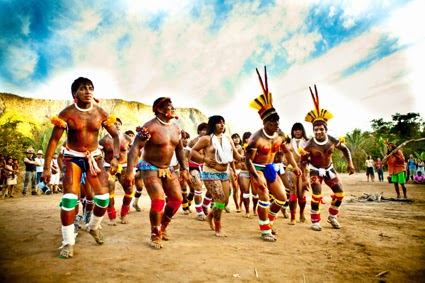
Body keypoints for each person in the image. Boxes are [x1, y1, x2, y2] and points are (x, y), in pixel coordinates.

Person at [42, 77, 120, 258]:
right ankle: (68, 242)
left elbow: (115, 137)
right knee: (69, 199)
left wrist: (115, 157)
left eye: (91, 88)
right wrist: (47, 167)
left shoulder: (101, 112)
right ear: (74, 93)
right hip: (72, 158)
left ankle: (93, 226)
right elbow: (54, 141)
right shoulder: (66, 114)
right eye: (83, 88)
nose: (88, 91)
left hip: (95, 157)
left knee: (103, 199)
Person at [123, 97, 190, 249]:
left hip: (168, 168)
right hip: (149, 167)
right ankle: (155, 234)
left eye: (173, 107)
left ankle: (163, 226)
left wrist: (185, 169)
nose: (173, 109)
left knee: (177, 200)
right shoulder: (149, 127)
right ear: (160, 110)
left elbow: (180, 150)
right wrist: (129, 171)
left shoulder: (176, 129)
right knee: (159, 200)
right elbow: (134, 149)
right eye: (169, 107)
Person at [245, 66, 302, 242]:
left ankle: (267, 222)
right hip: (257, 168)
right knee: (263, 196)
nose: (277, 123)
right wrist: (257, 177)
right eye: (273, 121)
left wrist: (294, 165)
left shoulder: (281, 135)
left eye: (278, 120)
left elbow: (287, 151)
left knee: (281, 198)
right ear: (265, 121)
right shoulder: (256, 139)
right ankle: (265, 231)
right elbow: (248, 161)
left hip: (270, 168)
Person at [299, 85, 355, 231]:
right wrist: (304, 178)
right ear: (313, 130)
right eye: (316, 129)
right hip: (315, 171)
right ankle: (315, 221)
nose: (318, 131)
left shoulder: (332, 140)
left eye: (321, 129)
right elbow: (302, 161)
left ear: (326, 129)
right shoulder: (309, 144)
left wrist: (350, 163)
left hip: (329, 169)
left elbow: (345, 149)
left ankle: (332, 216)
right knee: (316, 194)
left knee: (340, 193)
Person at [190, 115, 245, 237]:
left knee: (224, 202)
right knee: (219, 198)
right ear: (213, 124)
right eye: (219, 123)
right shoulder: (206, 139)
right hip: (210, 172)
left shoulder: (228, 138)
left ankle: (210, 216)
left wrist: (244, 158)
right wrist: (204, 159)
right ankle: (218, 228)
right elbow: (193, 151)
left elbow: (235, 155)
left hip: (224, 173)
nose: (222, 125)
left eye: (223, 122)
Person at [99, 117, 134, 225]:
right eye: (115, 124)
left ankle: (123, 215)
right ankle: (111, 217)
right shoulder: (103, 140)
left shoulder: (128, 138)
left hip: (124, 167)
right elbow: (98, 156)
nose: (117, 125)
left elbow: (135, 153)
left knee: (129, 190)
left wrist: (132, 167)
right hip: (108, 167)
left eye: (119, 123)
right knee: (110, 192)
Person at [286, 122, 309, 224]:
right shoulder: (289, 142)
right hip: (291, 168)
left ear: (302, 130)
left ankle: (302, 214)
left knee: (301, 193)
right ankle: (293, 217)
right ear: (293, 131)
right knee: (293, 192)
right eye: (295, 130)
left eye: (299, 129)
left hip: (304, 169)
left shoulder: (308, 142)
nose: (297, 131)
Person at [187, 122, 209, 220]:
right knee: (198, 188)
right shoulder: (193, 142)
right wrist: (185, 170)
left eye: (207, 130)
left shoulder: (210, 141)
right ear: (199, 131)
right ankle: (199, 212)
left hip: (205, 167)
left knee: (211, 189)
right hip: (193, 167)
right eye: (203, 130)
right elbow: (185, 155)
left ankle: (204, 206)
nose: (205, 132)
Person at [239, 131, 259, 218]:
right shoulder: (240, 148)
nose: (247, 139)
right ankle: (247, 211)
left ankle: (254, 209)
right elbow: (237, 158)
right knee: (245, 192)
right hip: (244, 172)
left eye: (249, 137)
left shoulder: (256, 148)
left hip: (254, 172)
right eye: (246, 138)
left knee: (255, 193)